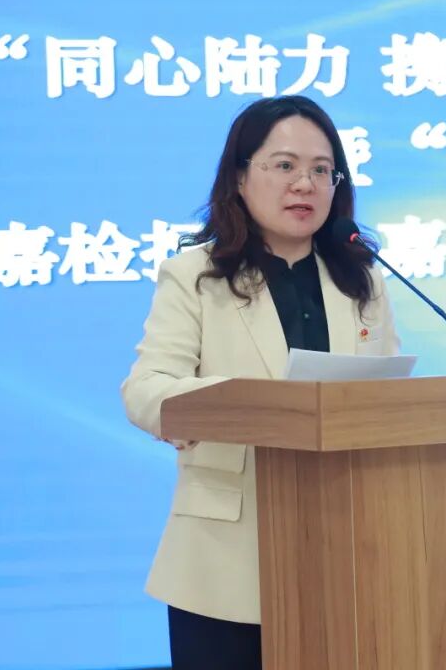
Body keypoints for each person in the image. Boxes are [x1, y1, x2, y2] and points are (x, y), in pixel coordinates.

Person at [121, 96, 400, 669]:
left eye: (322, 170)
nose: (305, 184)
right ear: (240, 177)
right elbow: (146, 389)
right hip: (224, 560)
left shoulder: (362, 280)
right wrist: (234, 406)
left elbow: (386, 398)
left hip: (348, 552)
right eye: (285, 165)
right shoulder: (196, 276)